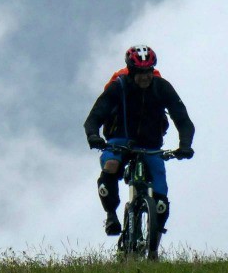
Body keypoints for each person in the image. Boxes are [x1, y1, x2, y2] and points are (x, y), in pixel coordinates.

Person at [84, 45, 195, 240]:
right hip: (120, 140)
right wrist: (94, 136)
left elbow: (184, 121)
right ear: (131, 71)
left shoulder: (162, 88)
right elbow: (94, 117)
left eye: (148, 72)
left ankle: (154, 244)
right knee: (111, 165)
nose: (145, 77)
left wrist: (184, 145)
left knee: (161, 197)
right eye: (139, 72)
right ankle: (111, 215)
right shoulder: (118, 86)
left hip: (151, 145)